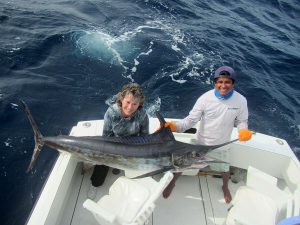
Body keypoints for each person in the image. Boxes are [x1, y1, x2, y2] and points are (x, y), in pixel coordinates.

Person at [161, 66, 253, 203]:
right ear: (215, 83)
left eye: (227, 82)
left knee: (224, 169)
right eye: (220, 82)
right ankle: (173, 182)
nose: (223, 85)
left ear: (233, 83)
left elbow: (241, 121)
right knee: (180, 165)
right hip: (200, 143)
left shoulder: (241, 101)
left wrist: (243, 130)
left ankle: (225, 187)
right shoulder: (205, 98)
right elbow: (190, 120)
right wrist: (175, 127)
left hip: (221, 145)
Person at [88, 83, 149, 199]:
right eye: (128, 102)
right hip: (114, 144)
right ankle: (95, 184)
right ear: (121, 100)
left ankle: (120, 168)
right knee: (101, 163)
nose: (130, 107)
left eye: (134, 104)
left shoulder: (143, 115)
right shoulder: (111, 113)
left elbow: (145, 136)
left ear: (139, 105)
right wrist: (107, 156)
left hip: (133, 146)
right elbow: (106, 137)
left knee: (139, 168)